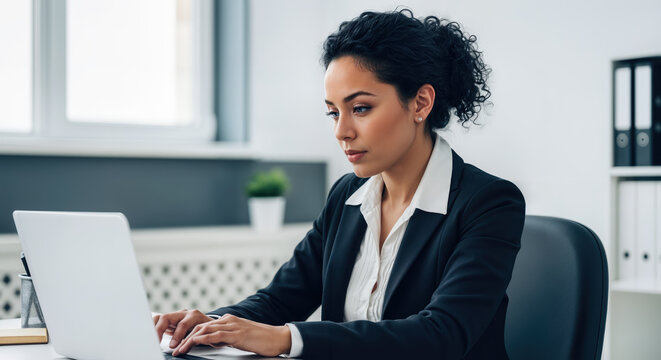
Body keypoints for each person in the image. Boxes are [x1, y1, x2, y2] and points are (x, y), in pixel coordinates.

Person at [154, 9, 525, 360]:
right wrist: (212, 325)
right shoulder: (347, 196)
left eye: (360, 108)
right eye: (333, 112)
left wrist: (285, 338)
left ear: (420, 103)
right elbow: (281, 299)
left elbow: (442, 335)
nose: (341, 131)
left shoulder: (488, 203)